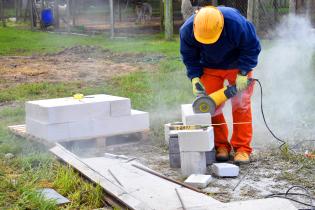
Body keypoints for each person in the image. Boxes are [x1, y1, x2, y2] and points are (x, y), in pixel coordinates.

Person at [180, 6, 261, 164]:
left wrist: (243, 72)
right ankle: (221, 146)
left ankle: (242, 149)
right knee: (211, 106)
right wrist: (195, 78)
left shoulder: (237, 24)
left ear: (221, 26)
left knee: (241, 104)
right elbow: (189, 56)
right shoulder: (187, 30)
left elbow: (252, 48)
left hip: (238, 65)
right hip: (209, 66)